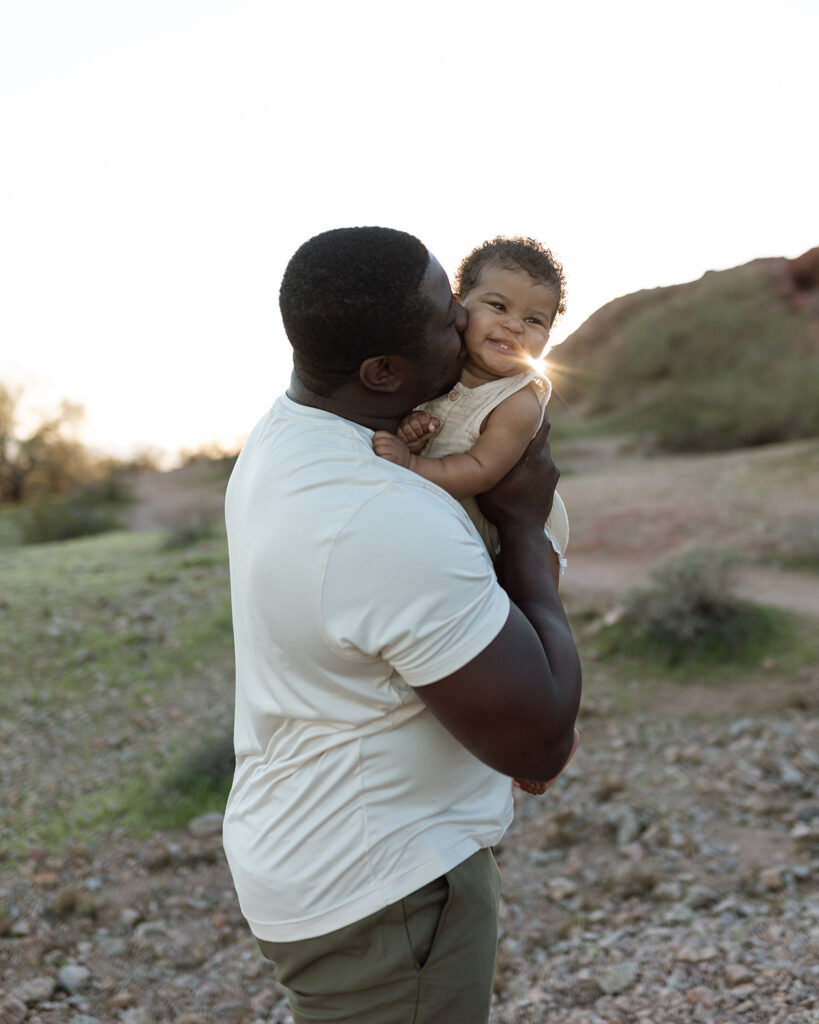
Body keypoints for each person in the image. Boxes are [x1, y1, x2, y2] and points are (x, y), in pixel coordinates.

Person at [222, 226, 582, 1024]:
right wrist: (523, 523)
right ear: (381, 372)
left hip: (317, 849)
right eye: (441, 313)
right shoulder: (382, 513)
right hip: (384, 887)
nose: (463, 318)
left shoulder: (290, 437)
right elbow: (540, 739)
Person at [373, 235, 569, 582]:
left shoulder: (517, 399)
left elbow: (481, 469)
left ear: (547, 339)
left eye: (534, 321)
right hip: (452, 522)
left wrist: (411, 462)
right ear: (459, 307)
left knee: (517, 608)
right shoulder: (439, 370)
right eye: (498, 306)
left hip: (509, 535)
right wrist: (414, 435)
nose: (514, 325)